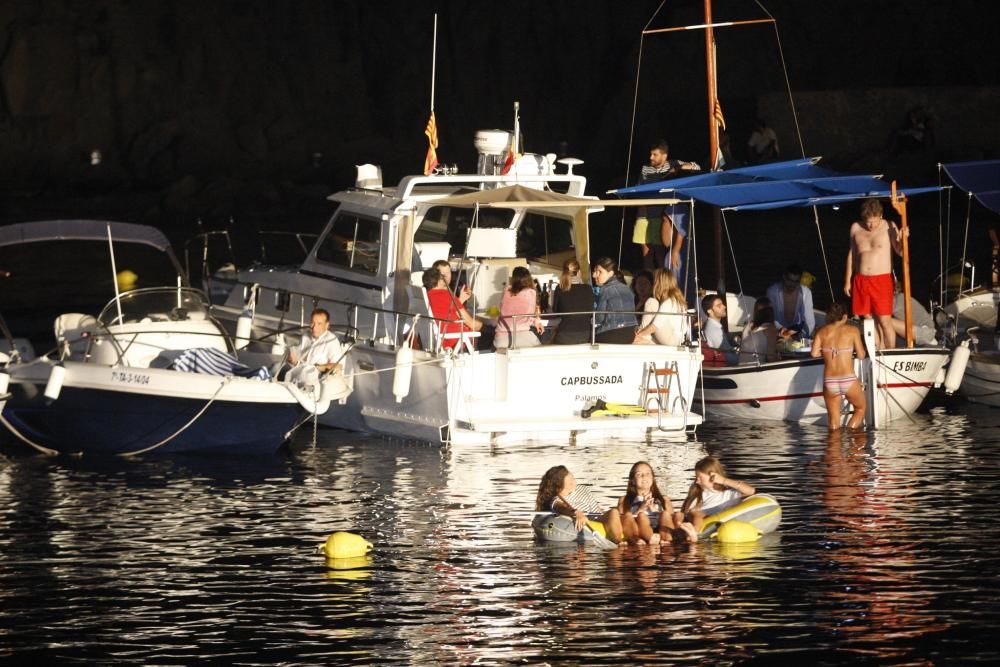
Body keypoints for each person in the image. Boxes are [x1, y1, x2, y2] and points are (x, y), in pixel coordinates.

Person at [844, 198, 907, 349]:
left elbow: (900, 252)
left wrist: (904, 239)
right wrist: (847, 280)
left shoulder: (889, 226)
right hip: (861, 279)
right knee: (868, 318)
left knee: (884, 320)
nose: (870, 225)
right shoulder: (855, 228)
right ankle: (878, 350)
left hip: (881, 280)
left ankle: (891, 352)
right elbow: (852, 254)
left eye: (873, 221)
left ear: (880, 215)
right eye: (867, 222)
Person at [632, 140, 700, 272]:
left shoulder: (672, 164)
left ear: (664, 156)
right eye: (650, 154)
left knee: (660, 254)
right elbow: (637, 188)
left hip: (659, 215)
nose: (651, 157)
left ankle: (662, 285)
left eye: (655, 155)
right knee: (646, 255)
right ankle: (648, 284)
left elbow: (696, 166)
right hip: (644, 215)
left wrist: (679, 168)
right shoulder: (645, 168)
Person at [811, 302, 867, 430]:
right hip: (848, 379)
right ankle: (851, 437)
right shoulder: (853, 330)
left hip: (830, 381)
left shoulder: (821, 331)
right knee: (860, 409)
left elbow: (814, 353)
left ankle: (834, 446)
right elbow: (861, 355)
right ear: (845, 317)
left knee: (833, 422)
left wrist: (826, 352)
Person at [536, 465, 625, 545]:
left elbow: (597, 510)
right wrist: (576, 513)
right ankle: (619, 543)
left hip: (597, 517)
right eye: (570, 478)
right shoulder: (556, 499)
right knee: (614, 512)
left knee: (616, 512)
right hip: (587, 522)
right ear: (560, 484)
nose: (573, 479)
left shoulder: (582, 489)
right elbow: (561, 508)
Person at [675, 456, 756, 543]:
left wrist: (723, 480)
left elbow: (751, 491)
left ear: (713, 476)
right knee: (681, 514)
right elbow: (685, 512)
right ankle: (687, 533)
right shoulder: (697, 493)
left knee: (697, 513)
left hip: (715, 521)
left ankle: (693, 533)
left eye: (700, 478)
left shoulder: (728, 494)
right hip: (693, 520)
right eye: (696, 477)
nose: (697, 481)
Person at [616, 461, 680, 545]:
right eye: (639, 474)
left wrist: (655, 509)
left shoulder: (664, 500)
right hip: (639, 533)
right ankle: (649, 538)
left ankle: (667, 540)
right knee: (641, 516)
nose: (644, 476)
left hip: (662, 531)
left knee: (665, 514)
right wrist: (641, 509)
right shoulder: (624, 500)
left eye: (648, 474)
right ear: (632, 481)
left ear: (653, 479)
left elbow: (671, 520)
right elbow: (621, 522)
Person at [423, 267, 483, 350]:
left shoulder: (426, 296)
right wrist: (483, 325)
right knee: (486, 331)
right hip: (454, 342)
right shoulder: (446, 295)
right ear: (439, 280)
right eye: (443, 277)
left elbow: (446, 310)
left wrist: (459, 300)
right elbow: (473, 324)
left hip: (435, 340)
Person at [287, 308, 345, 387]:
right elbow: (297, 355)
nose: (314, 327)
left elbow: (338, 366)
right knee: (276, 367)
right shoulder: (306, 336)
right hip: (298, 373)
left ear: (327, 325)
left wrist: (316, 368)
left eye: (319, 324)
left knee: (305, 375)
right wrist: (292, 358)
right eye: (312, 323)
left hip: (315, 381)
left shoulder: (332, 341)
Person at [634, 268, 687, 346]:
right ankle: (645, 339)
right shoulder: (675, 299)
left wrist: (640, 334)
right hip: (675, 339)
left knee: (651, 302)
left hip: (671, 339)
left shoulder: (669, 301)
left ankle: (643, 338)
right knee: (653, 303)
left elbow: (655, 326)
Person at [495, 266, 544, 349]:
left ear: (514, 278)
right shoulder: (531, 293)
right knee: (540, 349)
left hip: (501, 339)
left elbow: (504, 311)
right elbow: (529, 314)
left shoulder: (506, 290)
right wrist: (536, 321)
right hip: (522, 336)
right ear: (528, 278)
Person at [592, 257, 638, 344]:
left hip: (613, 334)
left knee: (585, 335)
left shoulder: (605, 289)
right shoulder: (627, 288)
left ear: (611, 273)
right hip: (630, 335)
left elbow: (599, 318)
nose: (594, 275)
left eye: (600, 272)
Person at [551, 258, 597, 345]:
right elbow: (591, 312)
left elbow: (555, 312)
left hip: (565, 336)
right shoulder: (588, 288)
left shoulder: (560, 288)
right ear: (579, 272)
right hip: (586, 335)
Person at [766, 263, 815, 338]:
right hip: (777, 331)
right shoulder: (772, 291)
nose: (792, 284)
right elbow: (769, 318)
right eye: (790, 280)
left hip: (798, 332)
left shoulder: (806, 293)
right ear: (784, 277)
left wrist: (801, 336)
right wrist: (780, 331)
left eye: (796, 281)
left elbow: (810, 321)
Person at [890, 278, 937, 346]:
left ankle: (887, 352)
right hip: (919, 331)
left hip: (925, 333)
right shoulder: (898, 298)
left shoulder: (898, 299)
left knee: (886, 321)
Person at [700, 293, 738, 365]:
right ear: (709, 311)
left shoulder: (712, 324)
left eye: (722, 304)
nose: (724, 306)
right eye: (719, 305)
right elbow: (729, 357)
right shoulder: (714, 330)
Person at [739, 296, 780, 363]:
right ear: (771, 312)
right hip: (755, 370)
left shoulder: (748, 326)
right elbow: (771, 359)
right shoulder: (770, 329)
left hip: (740, 368)